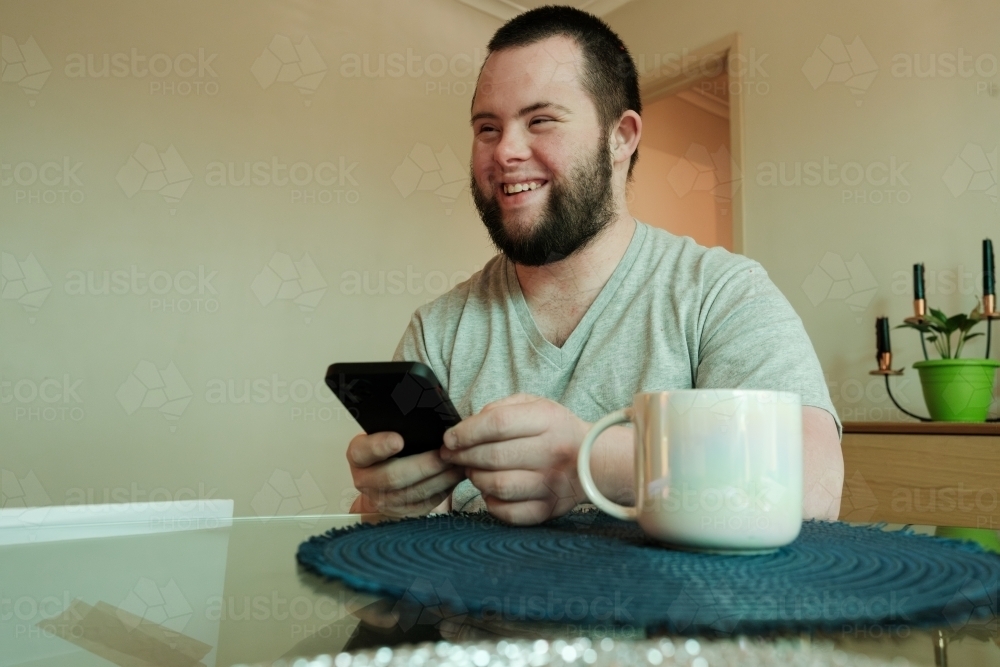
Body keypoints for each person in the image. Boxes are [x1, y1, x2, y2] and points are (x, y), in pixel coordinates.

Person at [348, 6, 844, 524]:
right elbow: (404, 544)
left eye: (540, 120)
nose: (505, 152)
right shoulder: (439, 332)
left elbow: (813, 488)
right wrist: (384, 503)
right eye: (487, 128)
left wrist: (587, 460)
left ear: (622, 137)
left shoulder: (722, 294)